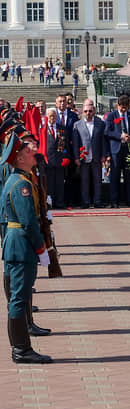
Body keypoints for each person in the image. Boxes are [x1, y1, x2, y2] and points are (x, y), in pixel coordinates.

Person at [1, 129, 52, 363]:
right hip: (21, 245)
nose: (33, 153)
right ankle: (21, 349)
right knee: (19, 299)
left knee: (18, 298)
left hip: (15, 243)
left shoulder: (19, 180)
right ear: (18, 158)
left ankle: (21, 347)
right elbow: (29, 221)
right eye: (27, 150)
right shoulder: (21, 184)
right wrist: (41, 248)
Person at [72, 100, 107, 208]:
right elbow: (76, 143)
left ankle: (97, 201)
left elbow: (103, 141)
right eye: (86, 111)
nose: (88, 113)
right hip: (84, 158)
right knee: (84, 181)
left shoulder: (100, 123)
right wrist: (77, 157)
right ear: (82, 111)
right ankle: (85, 202)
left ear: (94, 111)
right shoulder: (77, 125)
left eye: (90, 111)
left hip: (97, 156)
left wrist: (104, 155)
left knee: (97, 181)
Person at [105, 95, 130, 208]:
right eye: (122, 107)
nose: (124, 110)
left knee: (129, 176)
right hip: (116, 150)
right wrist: (120, 136)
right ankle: (114, 201)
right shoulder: (111, 116)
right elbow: (107, 132)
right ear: (117, 105)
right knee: (114, 176)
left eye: (126, 108)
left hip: (128, 150)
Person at [39, 108, 68, 209]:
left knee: (60, 184)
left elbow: (66, 144)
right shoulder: (42, 129)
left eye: (54, 116)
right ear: (47, 116)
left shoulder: (62, 128)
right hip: (47, 161)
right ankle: (49, 203)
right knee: (49, 185)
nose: (52, 118)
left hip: (60, 160)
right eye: (50, 116)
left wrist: (66, 157)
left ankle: (60, 202)